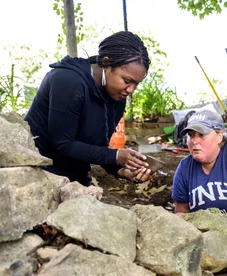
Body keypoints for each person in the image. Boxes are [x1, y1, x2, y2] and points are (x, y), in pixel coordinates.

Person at [25, 31, 154, 186]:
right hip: (40, 174)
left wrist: (120, 169)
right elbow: (62, 144)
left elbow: (97, 148)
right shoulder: (69, 81)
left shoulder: (117, 95)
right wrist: (116, 155)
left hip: (76, 175)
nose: (131, 90)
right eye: (127, 80)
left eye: (136, 84)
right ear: (106, 64)